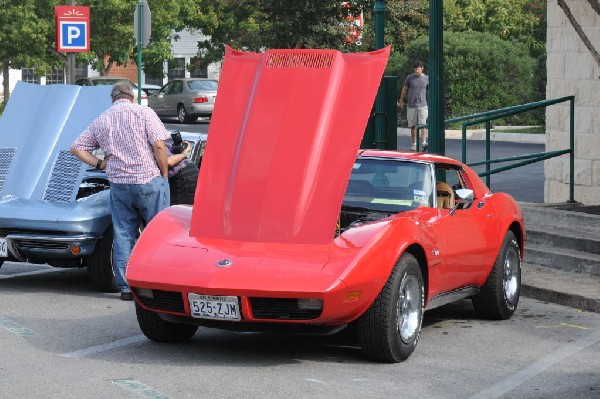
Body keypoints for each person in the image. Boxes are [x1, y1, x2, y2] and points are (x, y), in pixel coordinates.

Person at [70, 81, 170, 301]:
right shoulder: (144, 112)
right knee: (157, 233)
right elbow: (160, 146)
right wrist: (163, 173)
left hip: (119, 185)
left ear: (113, 98)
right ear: (132, 96)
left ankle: (126, 287)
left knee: (124, 233)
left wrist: (99, 164)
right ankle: (157, 282)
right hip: (148, 180)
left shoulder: (103, 119)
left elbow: (76, 147)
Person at [397, 60, 429, 151]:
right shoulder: (410, 78)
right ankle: (414, 143)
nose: (416, 71)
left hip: (423, 105)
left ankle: (423, 143)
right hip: (411, 105)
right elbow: (405, 89)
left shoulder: (427, 78)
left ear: (422, 68)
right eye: (415, 69)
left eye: (418, 69)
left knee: (423, 124)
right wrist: (401, 101)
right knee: (413, 125)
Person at [166, 138, 199, 205]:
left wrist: (184, 153)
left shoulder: (156, 141)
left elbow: (168, 162)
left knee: (177, 211)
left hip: (183, 175)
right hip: (179, 172)